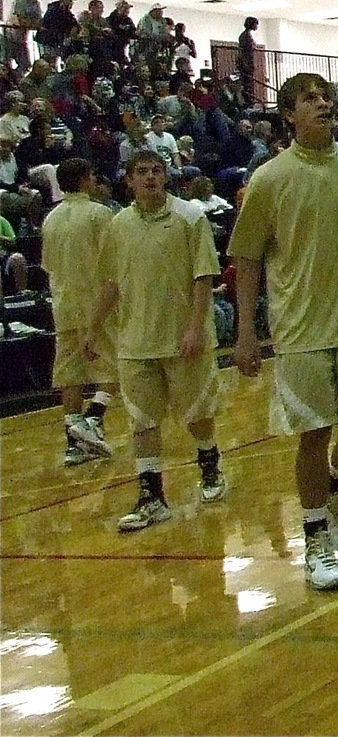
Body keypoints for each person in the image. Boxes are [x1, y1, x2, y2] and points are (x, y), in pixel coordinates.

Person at [228, 73, 338, 591]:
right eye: (310, 98)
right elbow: (248, 257)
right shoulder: (267, 179)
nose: (323, 104)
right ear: (289, 115)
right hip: (300, 330)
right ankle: (315, 541)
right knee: (313, 433)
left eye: (327, 97)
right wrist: (244, 332)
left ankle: (334, 489)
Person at [85, 149, 226, 531]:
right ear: (129, 180)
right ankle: (152, 498)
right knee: (142, 422)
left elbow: (204, 277)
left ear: (166, 176)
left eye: (156, 171)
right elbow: (111, 283)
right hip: (136, 343)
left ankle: (209, 462)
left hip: (183, 339)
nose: (150, 177)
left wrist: (196, 327)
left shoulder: (190, 217)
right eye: (142, 172)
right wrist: (93, 329)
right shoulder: (118, 225)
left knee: (198, 415)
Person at [41, 157, 121, 466]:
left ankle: (74, 443)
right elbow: (114, 263)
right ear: (86, 179)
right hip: (97, 305)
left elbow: (48, 266)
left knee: (69, 376)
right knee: (114, 369)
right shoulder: (100, 215)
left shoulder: (51, 219)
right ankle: (92, 420)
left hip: (63, 306)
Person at [8, 0, 44, 74]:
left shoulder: (36, 4)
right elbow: (19, 20)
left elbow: (39, 20)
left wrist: (31, 23)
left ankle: (16, 78)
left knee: (26, 64)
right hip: (11, 37)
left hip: (23, 38)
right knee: (10, 62)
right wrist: (30, 22)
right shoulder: (19, 3)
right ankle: (13, 78)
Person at [237, 17, 259, 102]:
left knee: (250, 82)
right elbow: (242, 50)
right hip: (246, 62)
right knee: (247, 83)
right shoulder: (245, 35)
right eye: (256, 24)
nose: (257, 26)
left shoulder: (247, 35)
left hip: (249, 61)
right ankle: (248, 100)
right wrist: (245, 63)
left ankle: (250, 99)